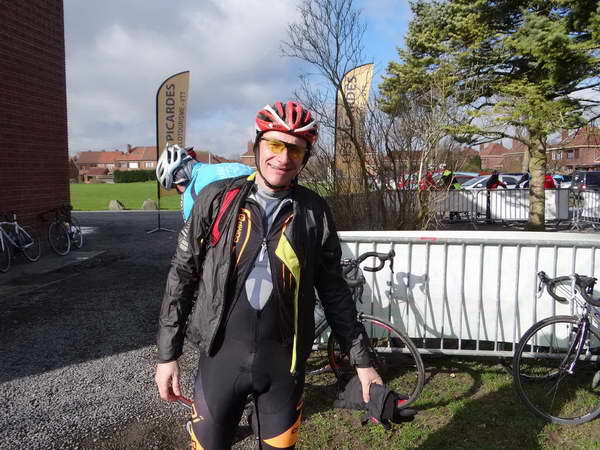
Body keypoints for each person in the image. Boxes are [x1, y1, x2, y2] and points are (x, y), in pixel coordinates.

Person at [155, 100, 382, 449]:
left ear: (304, 158)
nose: (283, 157)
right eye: (275, 144)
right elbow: (182, 276)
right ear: (258, 144)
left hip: (283, 369)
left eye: (295, 149)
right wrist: (167, 355)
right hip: (220, 361)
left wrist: (363, 362)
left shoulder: (313, 211)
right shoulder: (217, 200)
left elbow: (334, 290)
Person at [155, 144, 253, 221]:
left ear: (179, 176)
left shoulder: (190, 197)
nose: (179, 192)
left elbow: (192, 236)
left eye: (175, 186)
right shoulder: (237, 167)